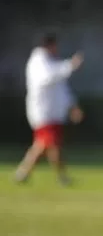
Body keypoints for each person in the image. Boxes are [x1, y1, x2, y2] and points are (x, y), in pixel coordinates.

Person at [15, 33, 85, 186]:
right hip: (43, 111)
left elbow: (61, 88)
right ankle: (61, 177)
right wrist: (70, 65)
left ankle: (24, 173)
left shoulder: (51, 62)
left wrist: (72, 106)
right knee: (49, 144)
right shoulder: (38, 62)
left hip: (53, 112)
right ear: (49, 45)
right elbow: (49, 77)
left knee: (45, 145)